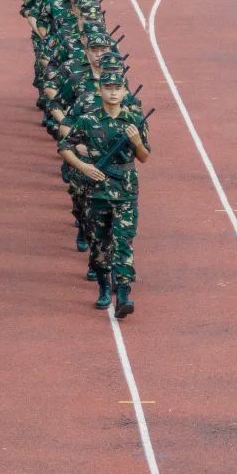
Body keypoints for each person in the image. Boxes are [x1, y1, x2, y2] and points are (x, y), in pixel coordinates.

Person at [60, 70, 150, 318]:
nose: (112, 92)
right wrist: (83, 167)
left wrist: (136, 141)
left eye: (117, 88)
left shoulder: (134, 120)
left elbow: (144, 156)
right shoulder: (87, 121)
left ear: (124, 91)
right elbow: (65, 146)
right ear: (100, 91)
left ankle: (123, 294)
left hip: (125, 191)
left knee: (123, 243)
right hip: (96, 192)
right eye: (108, 88)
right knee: (99, 244)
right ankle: (104, 287)